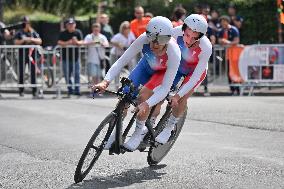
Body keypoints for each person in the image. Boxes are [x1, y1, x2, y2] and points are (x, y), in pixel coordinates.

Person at [94, 16, 181, 151]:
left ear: (168, 39)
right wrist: (105, 82)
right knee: (125, 94)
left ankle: (138, 132)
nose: (155, 44)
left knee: (144, 96)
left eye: (161, 40)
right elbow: (121, 61)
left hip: (162, 74)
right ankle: (115, 132)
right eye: (151, 38)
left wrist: (146, 103)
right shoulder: (142, 39)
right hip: (145, 67)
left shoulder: (174, 52)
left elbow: (165, 88)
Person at [150, 14, 212, 144]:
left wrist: (178, 95)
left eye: (194, 38)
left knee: (181, 98)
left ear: (201, 36)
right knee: (159, 92)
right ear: (183, 29)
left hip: (194, 72)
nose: (189, 41)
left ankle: (169, 127)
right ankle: (150, 122)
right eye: (188, 35)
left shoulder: (206, 47)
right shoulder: (174, 32)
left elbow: (195, 77)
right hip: (177, 66)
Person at [14, 16, 42, 98]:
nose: (27, 24)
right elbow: (16, 42)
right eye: (25, 23)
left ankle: (34, 91)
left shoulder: (33, 32)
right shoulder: (19, 32)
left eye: (28, 23)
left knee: (33, 73)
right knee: (21, 73)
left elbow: (40, 41)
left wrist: (32, 39)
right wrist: (24, 40)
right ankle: (21, 91)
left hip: (32, 56)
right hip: (22, 55)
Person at [57, 18, 84, 96]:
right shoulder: (63, 33)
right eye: (69, 24)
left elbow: (82, 42)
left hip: (75, 57)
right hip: (65, 58)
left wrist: (77, 42)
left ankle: (77, 90)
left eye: (72, 24)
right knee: (67, 74)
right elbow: (59, 42)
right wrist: (68, 42)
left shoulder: (78, 32)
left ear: (75, 25)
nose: (71, 26)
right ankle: (70, 89)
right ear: (66, 25)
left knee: (77, 74)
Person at [217, 15, 240, 95]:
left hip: (234, 54)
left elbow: (236, 41)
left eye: (224, 21)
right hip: (225, 54)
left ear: (227, 21)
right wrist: (223, 41)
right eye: (221, 22)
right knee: (228, 71)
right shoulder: (221, 31)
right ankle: (232, 89)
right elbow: (219, 40)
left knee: (235, 70)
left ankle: (238, 88)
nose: (223, 23)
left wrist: (227, 43)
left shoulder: (234, 29)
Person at [110, 21, 136, 88]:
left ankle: (131, 85)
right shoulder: (118, 36)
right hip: (116, 55)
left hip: (127, 55)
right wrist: (118, 44)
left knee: (132, 69)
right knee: (116, 71)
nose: (127, 29)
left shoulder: (131, 34)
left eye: (128, 27)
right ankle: (116, 86)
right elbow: (112, 41)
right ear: (122, 28)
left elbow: (133, 41)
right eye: (125, 27)